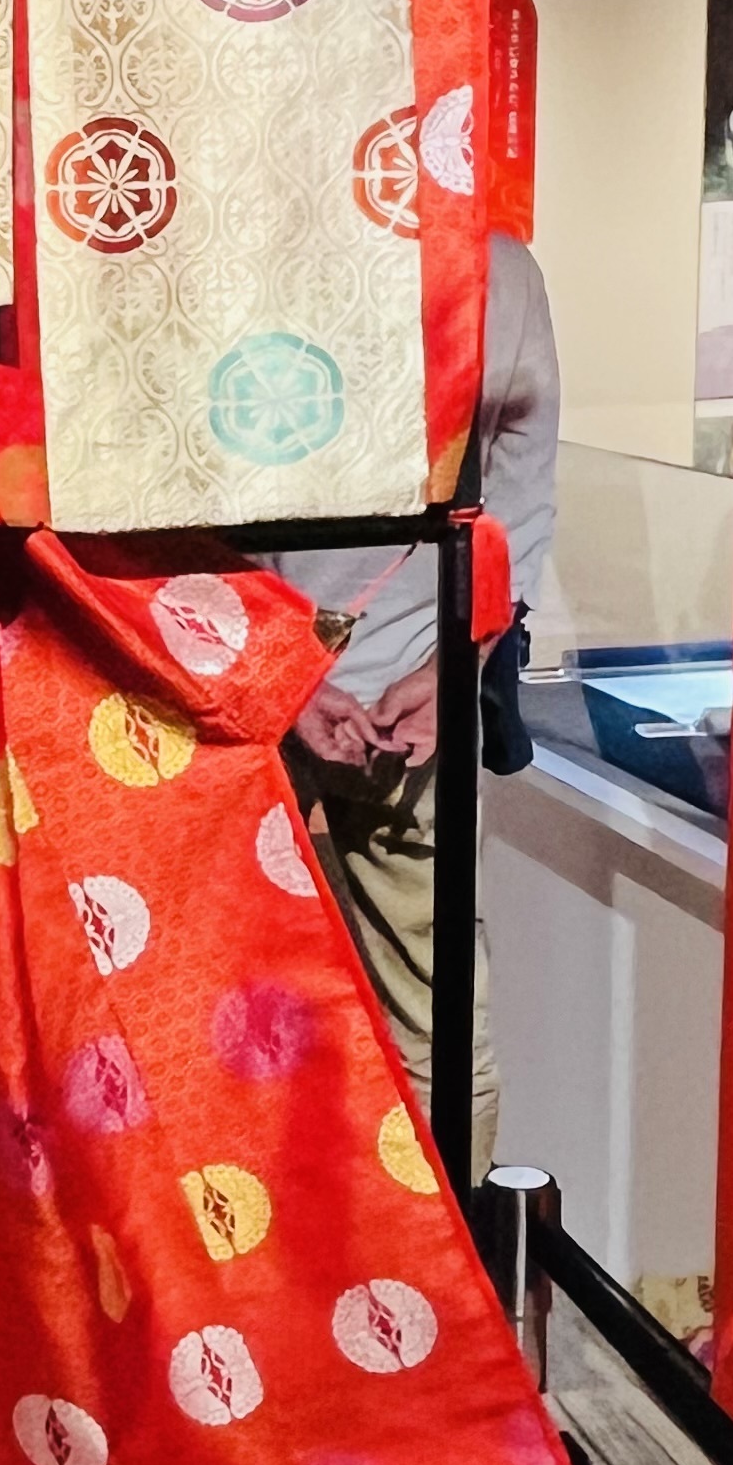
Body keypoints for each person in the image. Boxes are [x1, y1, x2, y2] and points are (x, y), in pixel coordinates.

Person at [266, 230, 560, 1180]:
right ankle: (446, 1252)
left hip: (265, 679)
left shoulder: (249, 238)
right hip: (384, 677)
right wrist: (456, 662)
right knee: (430, 1019)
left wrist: (282, 669)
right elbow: (520, 493)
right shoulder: (493, 263)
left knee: (260, 1002)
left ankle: (373, 1246)